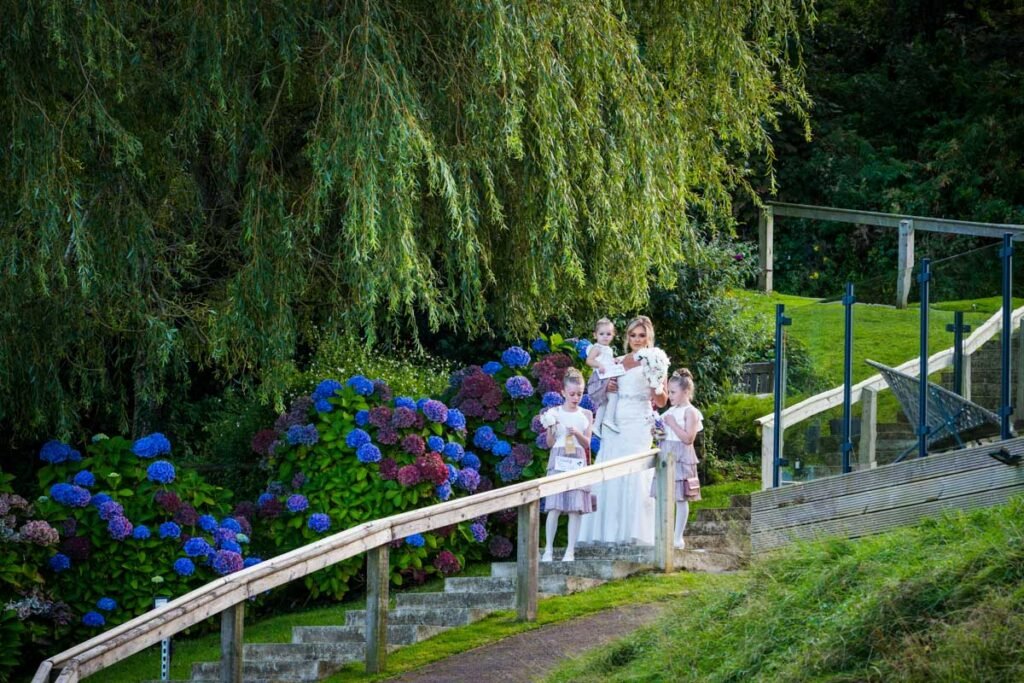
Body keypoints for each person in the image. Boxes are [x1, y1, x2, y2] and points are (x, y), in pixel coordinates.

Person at [578, 316, 667, 545]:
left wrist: (655, 382)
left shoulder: (656, 360)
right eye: (632, 335)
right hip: (614, 421)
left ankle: (635, 532)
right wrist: (608, 386)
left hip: (639, 421)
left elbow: (662, 399)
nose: (637, 339)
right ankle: (606, 533)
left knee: (635, 471)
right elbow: (597, 389)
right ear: (627, 337)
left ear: (649, 336)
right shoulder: (617, 360)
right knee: (610, 467)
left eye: (641, 335)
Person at [540, 368, 594, 562]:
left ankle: (570, 550)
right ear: (563, 392)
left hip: (577, 458)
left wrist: (576, 433)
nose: (576, 397)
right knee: (554, 507)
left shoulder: (586, 414)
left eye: (579, 393)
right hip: (559, 457)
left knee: (574, 508)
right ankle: (548, 550)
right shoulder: (554, 413)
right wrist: (551, 429)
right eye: (572, 394)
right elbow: (549, 443)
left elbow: (587, 443)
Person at [650, 369, 703, 549]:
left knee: (681, 498)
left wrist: (672, 424)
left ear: (686, 392)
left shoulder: (691, 412)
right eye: (669, 391)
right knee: (663, 496)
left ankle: (677, 537)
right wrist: (657, 430)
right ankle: (663, 534)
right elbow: (661, 436)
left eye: (673, 392)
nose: (669, 396)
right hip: (666, 453)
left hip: (682, 456)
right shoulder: (669, 412)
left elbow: (689, 438)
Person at [585, 318, 620, 436]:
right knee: (613, 396)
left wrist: (613, 361)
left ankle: (596, 426)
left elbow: (607, 362)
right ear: (595, 335)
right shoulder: (597, 348)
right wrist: (598, 364)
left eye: (608, 334)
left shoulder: (608, 349)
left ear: (613, 335)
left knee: (604, 402)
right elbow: (589, 360)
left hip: (606, 377)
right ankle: (608, 419)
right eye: (601, 334)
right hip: (600, 378)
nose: (605, 337)